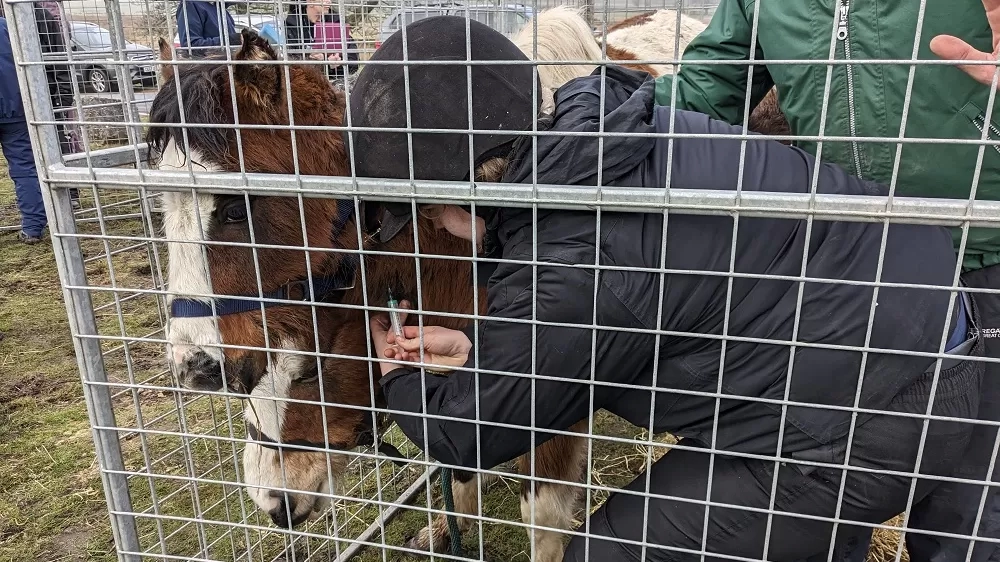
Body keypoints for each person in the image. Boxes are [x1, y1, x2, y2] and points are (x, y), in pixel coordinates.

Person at [352, 16, 988, 562]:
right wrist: (481, 356)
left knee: (609, 552)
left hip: (873, 416)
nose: (438, 227)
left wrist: (399, 377)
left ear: (472, 184)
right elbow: (598, 335)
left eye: (434, 210)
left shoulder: (576, 258)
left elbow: (471, 431)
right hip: (918, 333)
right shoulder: (610, 137)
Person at [650, 0, 1000, 559]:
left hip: (981, 252)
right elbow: (711, 83)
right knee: (821, 492)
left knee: (971, 514)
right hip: (842, 266)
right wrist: (582, 129)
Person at [0, 16, 46, 244]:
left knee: (24, 167)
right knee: (24, 167)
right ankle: (33, 226)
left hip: (15, 109)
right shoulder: (9, 28)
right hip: (16, 107)